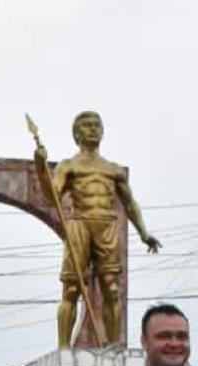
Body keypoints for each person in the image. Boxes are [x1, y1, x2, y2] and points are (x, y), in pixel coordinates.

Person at [32, 110, 161, 347]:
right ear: (77, 134)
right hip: (79, 223)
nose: (92, 129)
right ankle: (64, 348)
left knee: (112, 289)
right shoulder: (68, 166)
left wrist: (143, 232)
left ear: (103, 132)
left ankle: (113, 346)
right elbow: (53, 197)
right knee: (71, 289)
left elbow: (130, 203)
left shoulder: (114, 170)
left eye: (96, 125)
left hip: (107, 225)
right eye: (87, 125)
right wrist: (41, 167)